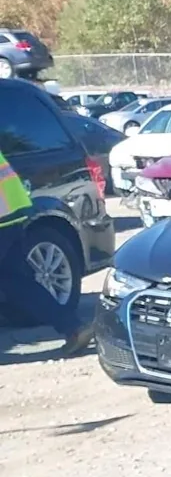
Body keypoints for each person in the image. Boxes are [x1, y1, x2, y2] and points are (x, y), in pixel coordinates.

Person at [0, 148, 91, 352]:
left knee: (15, 281)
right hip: (12, 212)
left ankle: (73, 327)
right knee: (15, 281)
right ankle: (73, 328)